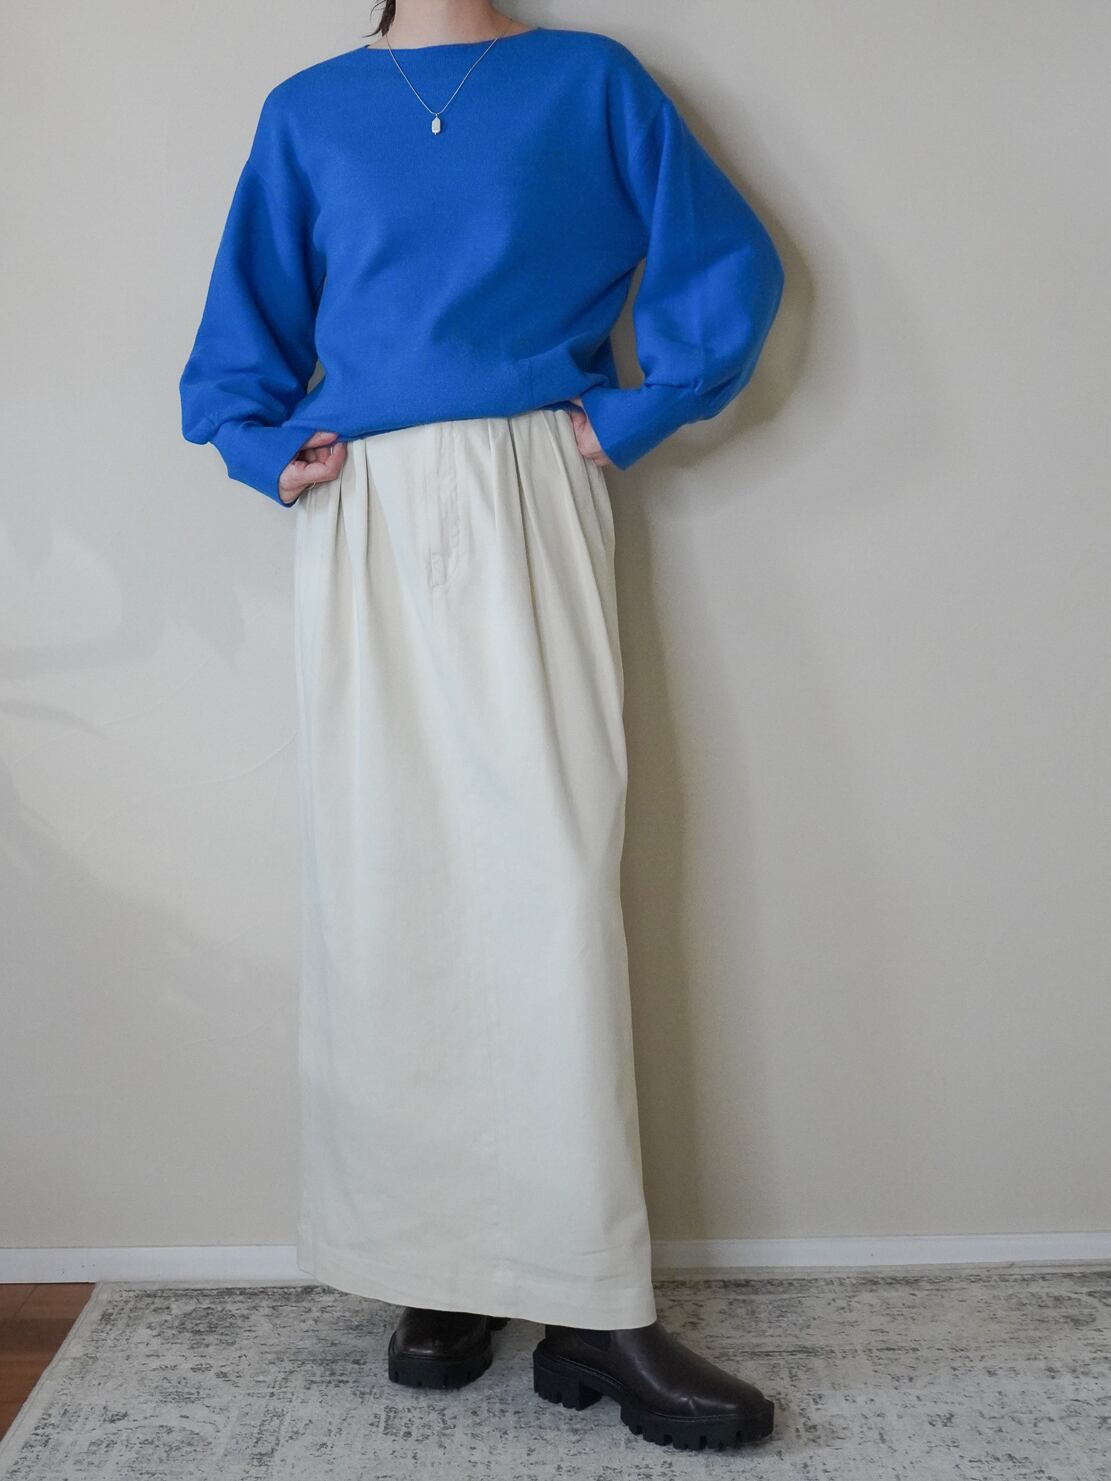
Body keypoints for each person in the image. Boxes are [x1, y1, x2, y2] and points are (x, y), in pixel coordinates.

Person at [178, 0, 784, 1453]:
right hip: (365, 503)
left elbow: (725, 260)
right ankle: (437, 1272)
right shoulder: (309, 109)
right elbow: (241, 331)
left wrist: (630, 415)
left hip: (531, 483)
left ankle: (592, 1303)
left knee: (550, 882)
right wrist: (262, 445)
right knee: (388, 888)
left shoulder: (589, 81)